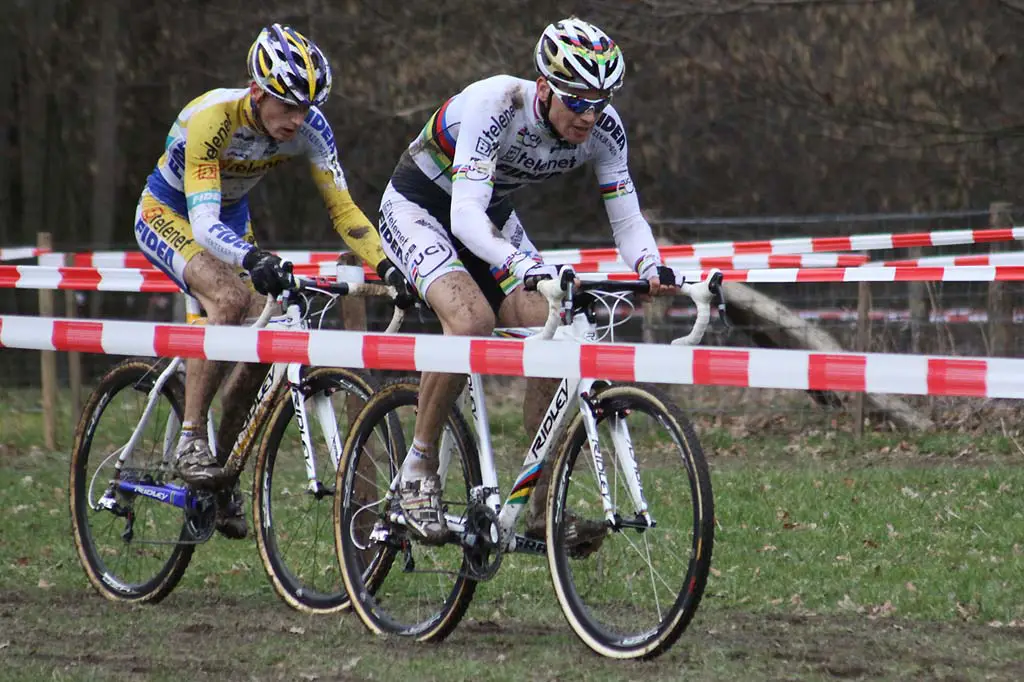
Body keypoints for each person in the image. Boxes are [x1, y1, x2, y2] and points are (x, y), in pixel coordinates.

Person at [377, 17, 677, 544]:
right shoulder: (496, 104)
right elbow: (465, 215)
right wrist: (522, 265)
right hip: (422, 207)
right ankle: (417, 473)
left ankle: (539, 508)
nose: (589, 115)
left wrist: (651, 267)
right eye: (577, 100)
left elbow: (627, 220)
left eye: (601, 100)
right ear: (544, 87)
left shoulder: (604, 129)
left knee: (559, 327)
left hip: (489, 216)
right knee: (471, 322)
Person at [133, 23, 402, 539]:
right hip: (171, 212)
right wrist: (254, 257)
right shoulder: (213, 119)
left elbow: (343, 211)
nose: (297, 120)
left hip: (228, 218)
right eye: (288, 107)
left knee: (266, 329)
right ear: (257, 92)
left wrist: (388, 267)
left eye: (306, 108)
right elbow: (204, 224)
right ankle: (191, 437)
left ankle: (222, 470)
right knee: (231, 299)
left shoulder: (312, 129)